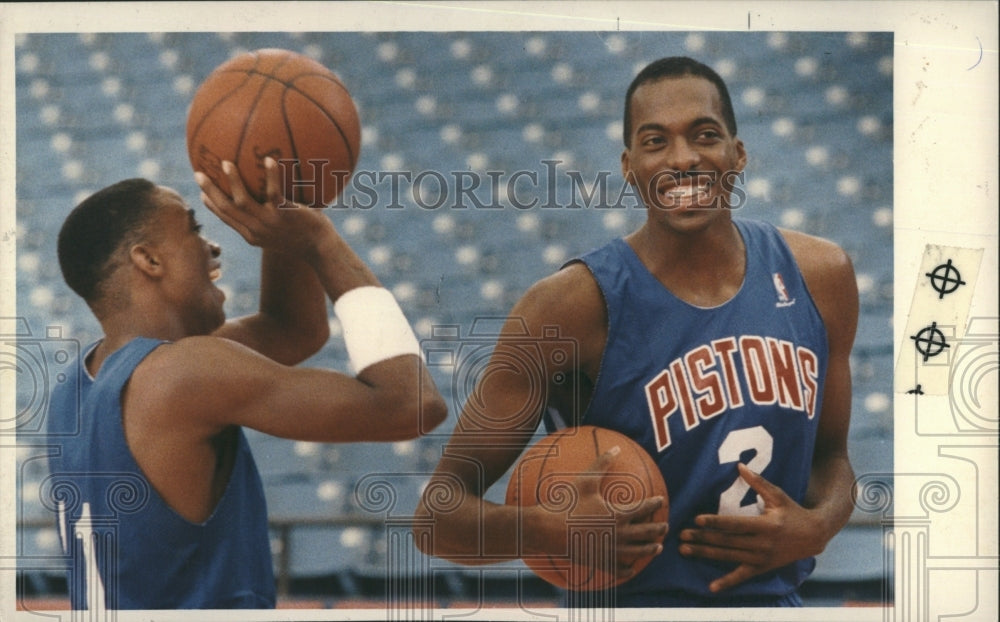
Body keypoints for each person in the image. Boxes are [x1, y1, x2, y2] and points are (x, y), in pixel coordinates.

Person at [415, 56, 858, 607]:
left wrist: (817, 528)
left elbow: (832, 462)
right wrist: (543, 529)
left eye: (704, 135)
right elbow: (437, 515)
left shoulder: (821, 276)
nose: (683, 159)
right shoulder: (567, 307)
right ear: (629, 166)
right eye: (655, 142)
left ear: (737, 153)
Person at [47, 158, 447, 609]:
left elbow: (292, 329)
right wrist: (319, 241)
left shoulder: (76, 387)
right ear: (149, 259)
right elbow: (412, 403)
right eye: (195, 229)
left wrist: (285, 218)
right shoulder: (183, 374)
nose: (213, 247)